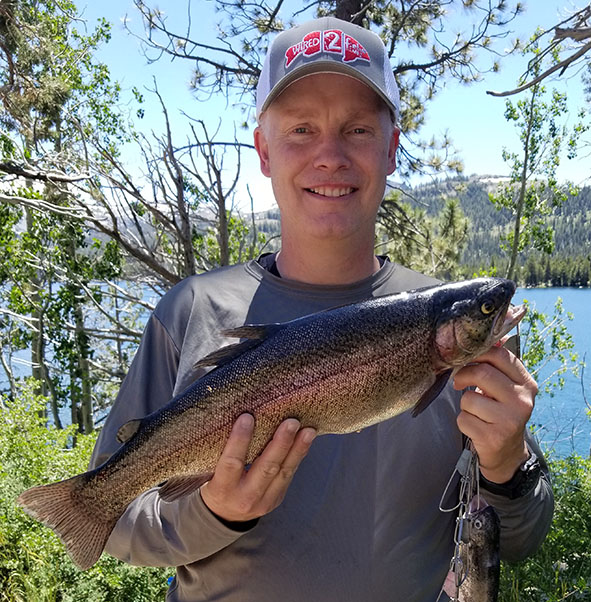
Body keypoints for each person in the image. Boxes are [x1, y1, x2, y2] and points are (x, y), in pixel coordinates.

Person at [89, 16, 554, 602]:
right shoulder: (191, 313)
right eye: (302, 129)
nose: (330, 155)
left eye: (357, 129)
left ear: (392, 148)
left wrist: (508, 464)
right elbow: (109, 521)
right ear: (263, 148)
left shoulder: (468, 341)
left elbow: (521, 536)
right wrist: (212, 513)